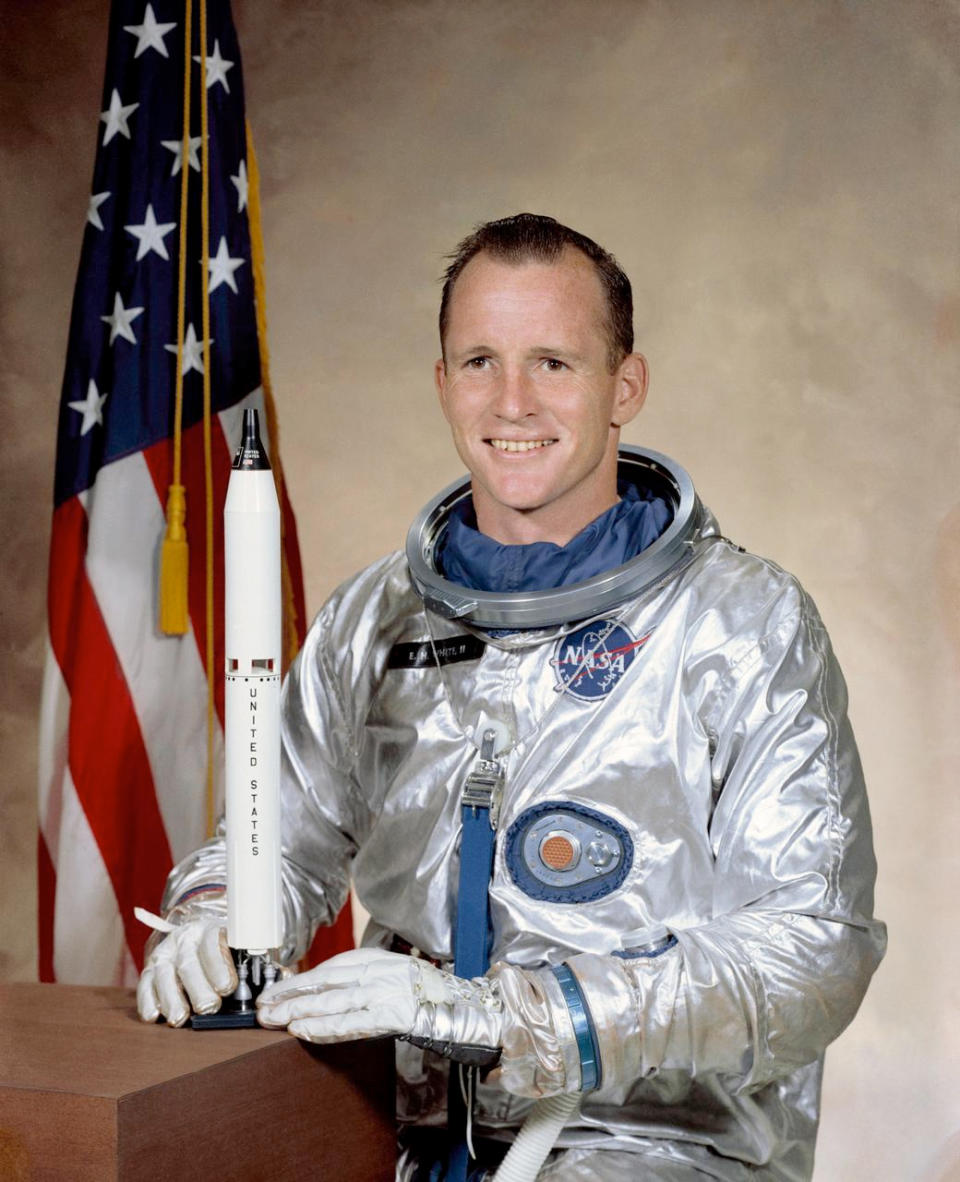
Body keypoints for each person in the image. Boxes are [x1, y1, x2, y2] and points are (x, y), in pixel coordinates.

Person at [137, 213, 886, 1180]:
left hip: (652, 1146)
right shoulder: (377, 618)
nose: (514, 400)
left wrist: (508, 1017)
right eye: (480, 360)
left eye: (554, 364)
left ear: (627, 387)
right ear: (442, 382)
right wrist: (213, 913)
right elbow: (279, 833)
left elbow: (812, 955)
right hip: (398, 1134)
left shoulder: (740, 626)